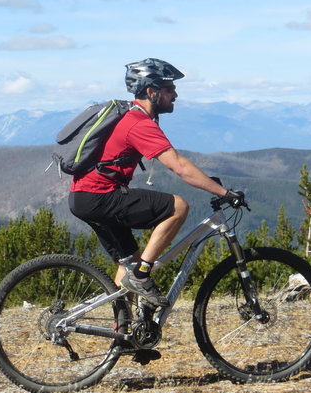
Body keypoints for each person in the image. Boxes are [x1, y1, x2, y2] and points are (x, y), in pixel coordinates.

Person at [68, 58, 239, 308]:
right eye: (169, 89)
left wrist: (208, 183)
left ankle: (124, 333)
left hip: (84, 197)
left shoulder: (129, 117)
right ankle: (142, 276)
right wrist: (225, 193)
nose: (175, 95)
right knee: (178, 207)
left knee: (129, 264)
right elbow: (179, 166)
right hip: (99, 196)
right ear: (152, 91)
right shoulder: (138, 123)